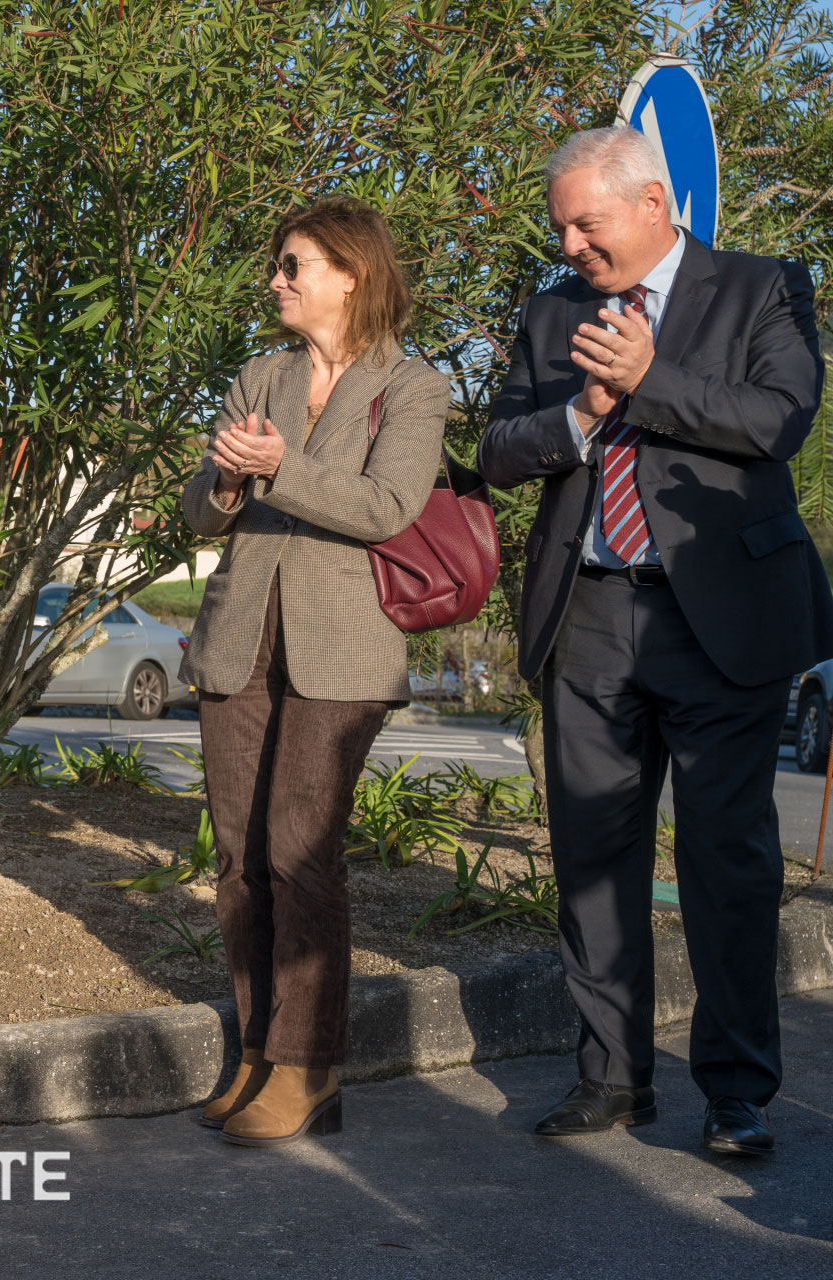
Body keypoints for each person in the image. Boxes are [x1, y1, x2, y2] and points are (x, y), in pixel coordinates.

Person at [479, 125, 832, 1156]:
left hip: (721, 615)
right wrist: (581, 415)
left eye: (586, 223)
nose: (573, 245)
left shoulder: (763, 287)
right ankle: (611, 1078)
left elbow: (781, 417)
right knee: (593, 858)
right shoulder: (552, 312)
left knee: (728, 857)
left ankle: (735, 1089)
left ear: (652, 203)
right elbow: (500, 448)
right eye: (560, 228)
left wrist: (649, 379)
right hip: (588, 609)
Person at [180, 196, 450, 1147]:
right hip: (239, 636)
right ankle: (258, 1053)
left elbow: (385, 507)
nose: (277, 281)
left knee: (301, 851)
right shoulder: (263, 373)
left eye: (293, 265)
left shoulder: (413, 388)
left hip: (344, 648)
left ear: (352, 274)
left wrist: (280, 465)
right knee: (239, 861)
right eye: (278, 265)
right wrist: (219, 482)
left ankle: (310, 1067)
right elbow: (203, 512)